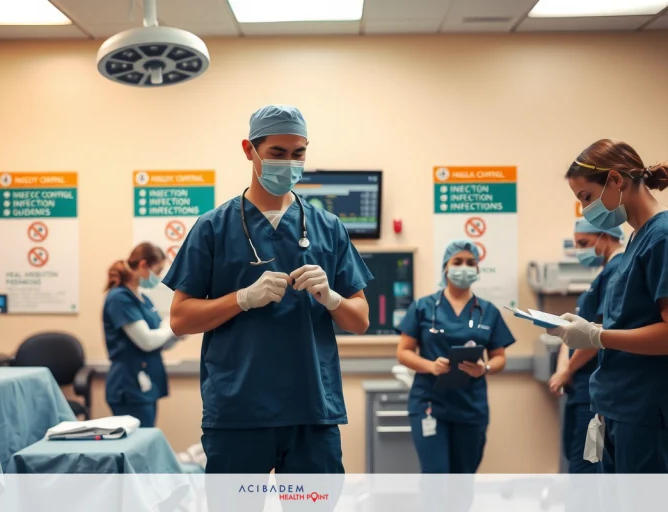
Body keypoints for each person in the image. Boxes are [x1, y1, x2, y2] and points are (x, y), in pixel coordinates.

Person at [161, 105, 374, 476]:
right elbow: (180, 319)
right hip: (238, 413)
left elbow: (360, 321)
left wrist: (333, 299)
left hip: (312, 412)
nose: (289, 163)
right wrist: (242, 299)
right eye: (277, 153)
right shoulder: (213, 228)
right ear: (249, 150)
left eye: (298, 153)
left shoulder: (328, 227)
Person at [549, 139, 668, 473]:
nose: (586, 209)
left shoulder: (662, 236)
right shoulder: (636, 238)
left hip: (644, 413)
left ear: (616, 180)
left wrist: (598, 336)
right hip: (617, 408)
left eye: (587, 197)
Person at [396, 240, 515, 474]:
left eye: (471, 263)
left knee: (462, 481)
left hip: (470, 406)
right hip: (429, 403)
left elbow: (499, 357)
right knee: (437, 478)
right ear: (446, 268)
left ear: (478, 270)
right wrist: (430, 366)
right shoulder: (423, 307)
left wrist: (485, 369)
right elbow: (403, 352)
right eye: (457, 262)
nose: (464, 267)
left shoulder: (488, 311)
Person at [548, 219, 624, 474]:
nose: (579, 250)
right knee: (578, 457)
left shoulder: (617, 271)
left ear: (604, 236)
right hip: (582, 387)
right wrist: (564, 365)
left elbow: (598, 335)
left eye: (583, 243)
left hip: (593, 390)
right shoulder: (602, 276)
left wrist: (566, 370)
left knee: (586, 466)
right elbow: (577, 331)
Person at [102, 242, 179, 427]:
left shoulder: (143, 299)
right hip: (129, 385)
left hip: (146, 383)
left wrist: (178, 330)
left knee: (147, 441)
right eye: (158, 271)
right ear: (143, 265)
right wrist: (171, 325)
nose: (158, 277)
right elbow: (147, 341)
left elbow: (160, 341)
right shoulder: (119, 298)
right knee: (138, 447)